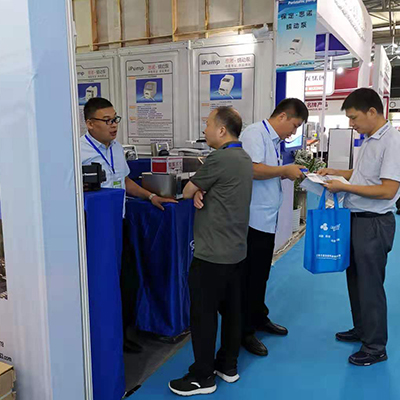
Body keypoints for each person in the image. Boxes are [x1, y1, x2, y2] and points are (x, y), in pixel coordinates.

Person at [80, 97, 177, 353]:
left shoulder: (116, 148)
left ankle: (121, 335)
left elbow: (125, 182)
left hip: (120, 224)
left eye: (115, 119)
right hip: (95, 230)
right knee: (101, 284)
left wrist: (151, 196)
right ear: (90, 123)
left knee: (128, 281)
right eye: (107, 120)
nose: (113, 125)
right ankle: (102, 338)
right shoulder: (78, 152)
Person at [168, 107, 253, 396]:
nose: (204, 130)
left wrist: (197, 190)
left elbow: (187, 191)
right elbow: (215, 190)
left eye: (207, 124)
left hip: (212, 254)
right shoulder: (243, 158)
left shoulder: (219, 158)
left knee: (203, 315)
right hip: (236, 251)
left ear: (222, 130)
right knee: (232, 311)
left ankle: (202, 376)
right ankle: (228, 365)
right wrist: (203, 190)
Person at [319, 88, 400, 366]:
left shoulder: (392, 142)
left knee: (370, 285)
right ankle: (362, 328)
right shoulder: (369, 140)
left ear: (372, 112)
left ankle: (376, 346)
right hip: (356, 218)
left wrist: (346, 187)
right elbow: (364, 175)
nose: (351, 123)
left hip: (374, 223)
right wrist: (337, 173)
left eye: (354, 117)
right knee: (355, 279)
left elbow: (388, 189)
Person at [240, 98, 308, 356]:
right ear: (282, 116)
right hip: (253, 220)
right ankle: (245, 331)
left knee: (261, 275)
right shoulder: (254, 134)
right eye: (294, 125)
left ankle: (259, 317)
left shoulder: (274, 140)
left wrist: (286, 171)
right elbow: (252, 169)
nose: (293, 132)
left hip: (267, 219)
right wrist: (283, 170)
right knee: (250, 278)